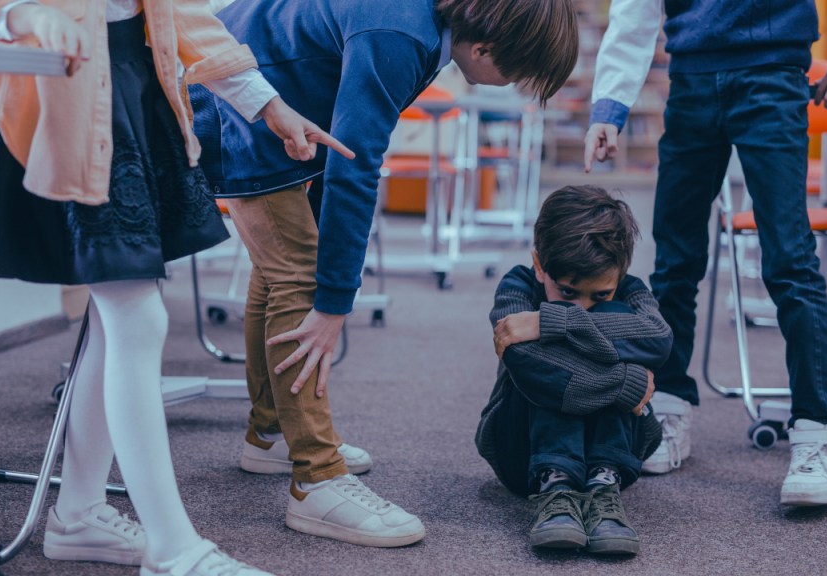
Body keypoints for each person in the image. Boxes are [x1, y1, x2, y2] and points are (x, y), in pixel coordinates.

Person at [0, 0, 349, 572]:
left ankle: (79, 513)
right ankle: (172, 549)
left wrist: (272, 108)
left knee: (122, 322)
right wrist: (26, 17)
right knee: (136, 317)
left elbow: (184, 15)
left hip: (133, 86)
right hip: (66, 94)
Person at [189, 0, 579, 547]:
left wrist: (330, 266)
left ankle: (271, 432)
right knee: (298, 276)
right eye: (514, 73)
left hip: (260, 94)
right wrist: (333, 302)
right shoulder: (401, 33)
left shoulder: (424, 27)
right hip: (232, 99)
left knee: (282, 268)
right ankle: (317, 480)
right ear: (486, 47)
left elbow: (342, 141)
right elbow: (356, 163)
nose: (511, 84)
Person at [583, 0, 827, 505]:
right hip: (690, 82)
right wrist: (610, 105)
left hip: (772, 76)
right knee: (675, 261)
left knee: (790, 260)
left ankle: (818, 431)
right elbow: (635, 8)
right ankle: (668, 404)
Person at [476, 185, 670, 554]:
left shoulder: (629, 290)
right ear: (539, 265)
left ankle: (602, 484)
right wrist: (626, 382)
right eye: (567, 293)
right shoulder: (516, 285)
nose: (583, 306)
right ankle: (557, 484)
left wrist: (556, 322)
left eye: (599, 294)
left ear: (621, 271)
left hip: (616, 455)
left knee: (610, 318)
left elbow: (658, 339)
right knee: (540, 362)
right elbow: (526, 362)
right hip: (524, 455)